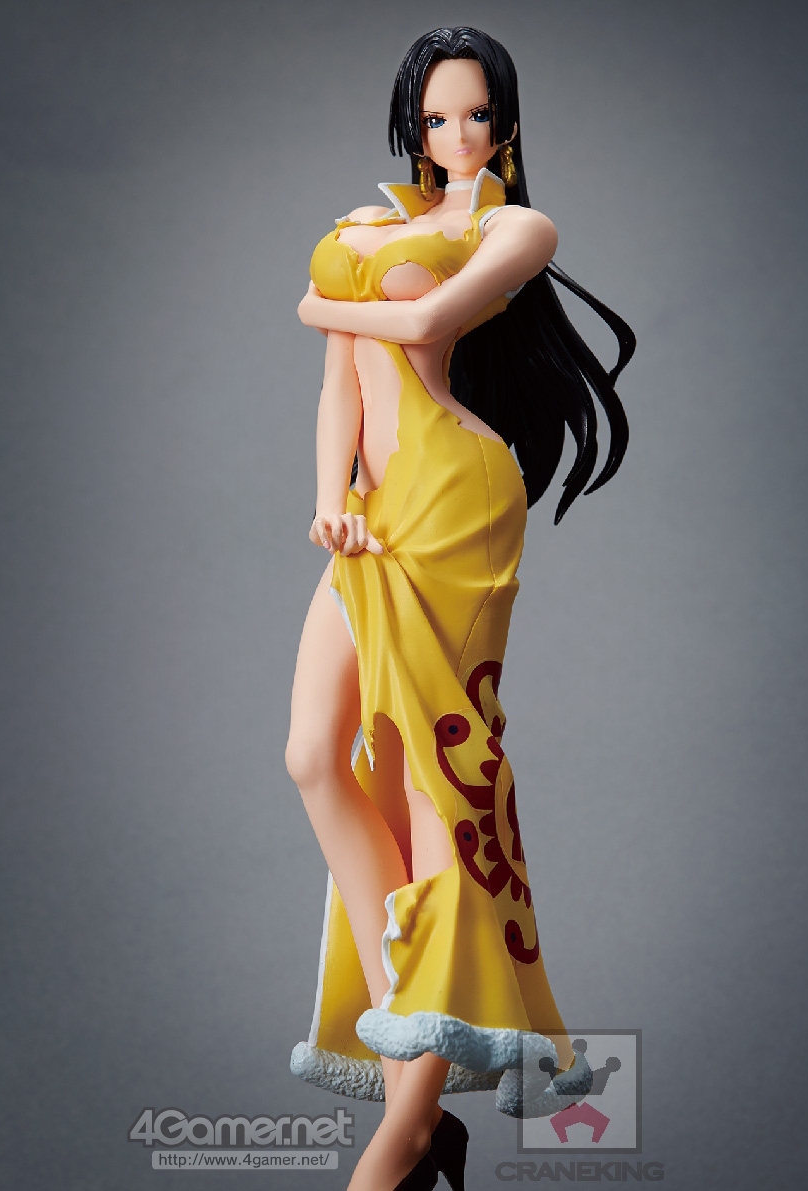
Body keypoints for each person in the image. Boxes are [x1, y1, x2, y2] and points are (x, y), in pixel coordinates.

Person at [285, 26, 634, 1191]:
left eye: (474, 115)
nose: (454, 135)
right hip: (371, 513)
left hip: (457, 500)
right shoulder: (374, 217)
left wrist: (315, 303)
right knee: (315, 758)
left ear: (507, 122)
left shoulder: (513, 230)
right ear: (410, 123)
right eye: (435, 117)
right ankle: (410, 1046)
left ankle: (407, 1119)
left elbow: (423, 329)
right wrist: (327, 498)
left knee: (437, 766)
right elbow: (340, 386)